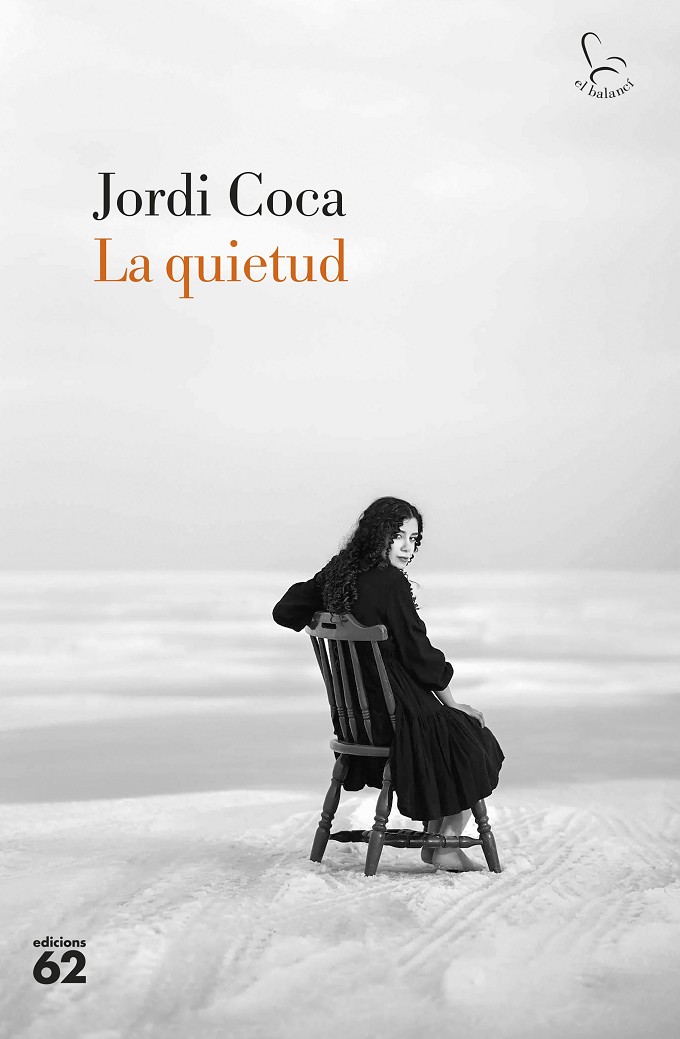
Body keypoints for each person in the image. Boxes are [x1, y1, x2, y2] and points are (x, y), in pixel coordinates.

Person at [272, 496, 504, 872]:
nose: (407, 547)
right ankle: (444, 843)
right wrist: (453, 703)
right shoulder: (390, 582)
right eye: (398, 536)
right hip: (395, 714)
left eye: (414, 538)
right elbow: (419, 655)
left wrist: (328, 617)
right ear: (377, 534)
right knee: (469, 735)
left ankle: (438, 841)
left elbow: (284, 612)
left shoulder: (339, 571)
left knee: (451, 733)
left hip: (355, 720)